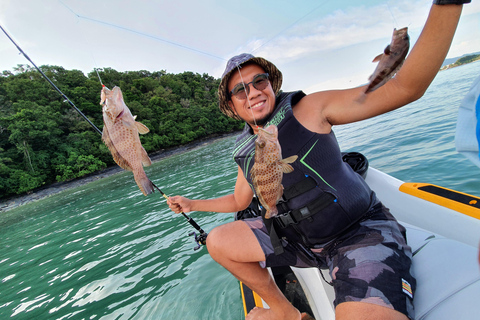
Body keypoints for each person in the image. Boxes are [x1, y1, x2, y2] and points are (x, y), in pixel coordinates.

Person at [168, 2, 470, 320]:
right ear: (231, 105)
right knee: (218, 241)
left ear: (272, 84)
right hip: (299, 242)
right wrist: (192, 203)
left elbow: (405, 87)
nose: (253, 92)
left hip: (356, 233)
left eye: (260, 82)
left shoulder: (310, 108)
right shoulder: (247, 151)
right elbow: (239, 200)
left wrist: (447, 5)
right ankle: (285, 311)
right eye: (240, 90)